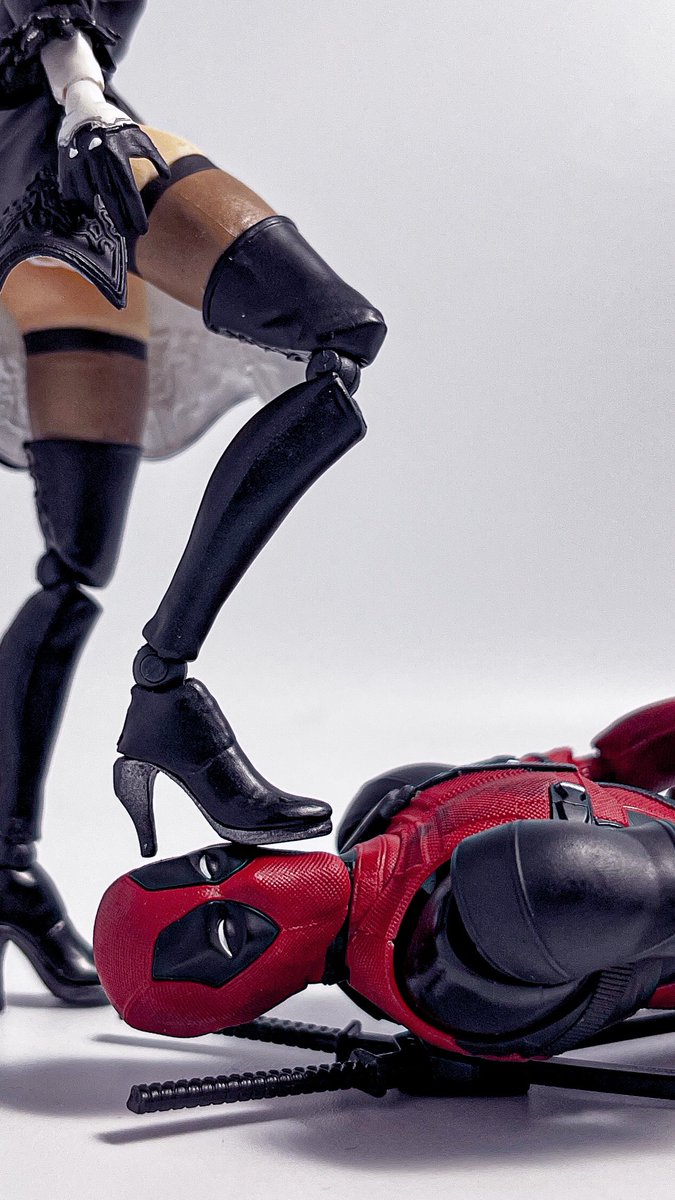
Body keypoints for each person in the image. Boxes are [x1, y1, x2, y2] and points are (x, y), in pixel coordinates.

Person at [0, 1, 386, 1008]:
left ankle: (4, 871)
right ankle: (163, 690)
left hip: (59, 181)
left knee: (75, 564)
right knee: (336, 333)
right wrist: (83, 95)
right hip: (68, 157)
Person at [94, 695, 675, 1057]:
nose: (249, 877)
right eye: (226, 930)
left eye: (210, 864)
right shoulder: (478, 924)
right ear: (244, 995)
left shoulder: (385, 807)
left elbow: (596, 769)